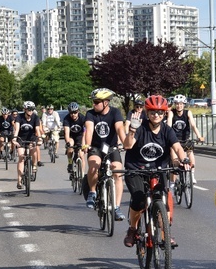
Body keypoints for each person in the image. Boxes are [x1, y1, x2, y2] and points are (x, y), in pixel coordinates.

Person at [121, 95, 189, 247]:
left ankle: (166, 235)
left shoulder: (167, 130)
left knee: (162, 200)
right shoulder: (140, 127)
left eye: (159, 112)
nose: (156, 115)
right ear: (147, 113)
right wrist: (132, 130)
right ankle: (132, 229)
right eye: (152, 112)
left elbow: (177, 147)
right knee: (139, 200)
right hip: (136, 169)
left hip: (159, 170)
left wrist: (184, 160)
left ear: (164, 113)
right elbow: (127, 145)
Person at [83, 88, 127, 221]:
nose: (94, 104)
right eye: (93, 102)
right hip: (96, 147)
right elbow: (89, 130)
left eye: (96, 102)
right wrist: (87, 144)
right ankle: (92, 192)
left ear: (106, 103)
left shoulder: (115, 112)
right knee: (94, 166)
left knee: (117, 173)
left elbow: (119, 128)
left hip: (111, 147)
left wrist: (126, 143)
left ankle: (116, 208)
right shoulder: (90, 114)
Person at [167, 94, 204, 185]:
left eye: (180, 104)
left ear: (184, 104)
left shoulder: (188, 113)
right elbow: (168, 126)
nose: (179, 106)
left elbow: (193, 125)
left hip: (185, 139)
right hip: (174, 140)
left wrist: (199, 136)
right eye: (177, 104)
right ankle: (172, 182)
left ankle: (192, 174)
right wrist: (167, 136)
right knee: (174, 158)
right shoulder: (171, 113)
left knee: (190, 152)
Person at [12, 101, 43, 189]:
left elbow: (37, 129)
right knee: (21, 157)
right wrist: (14, 138)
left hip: (31, 138)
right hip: (21, 138)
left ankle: (34, 166)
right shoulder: (19, 117)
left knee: (34, 151)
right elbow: (17, 129)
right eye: (29, 109)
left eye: (32, 109)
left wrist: (40, 138)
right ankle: (19, 179)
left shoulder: (36, 117)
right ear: (25, 109)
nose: (30, 111)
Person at [63, 102, 85, 175]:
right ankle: (70, 162)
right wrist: (68, 143)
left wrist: (84, 143)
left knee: (81, 155)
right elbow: (67, 133)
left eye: (75, 112)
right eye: (71, 113)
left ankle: (82, 174)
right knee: (70, 147)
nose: (73, 115)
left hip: (80, 136)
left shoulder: (82, 118)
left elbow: (86, 131)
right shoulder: (66, 119)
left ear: (78, 111)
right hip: (71, 136)